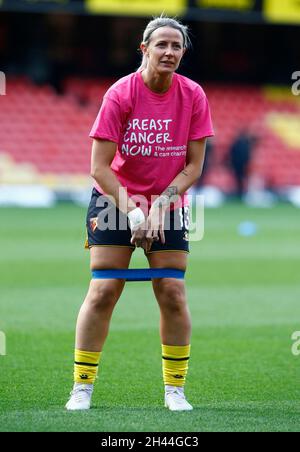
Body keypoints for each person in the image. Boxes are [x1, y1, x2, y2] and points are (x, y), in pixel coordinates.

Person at [65, 16, 214, 412]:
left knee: (172, 291)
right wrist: (134, 212)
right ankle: (82, 387)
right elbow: (99, 167)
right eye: (161, 44)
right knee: (103, 290)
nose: (169, 52)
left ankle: (175, 391)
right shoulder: (120, 93)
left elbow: (193, 166)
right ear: (144, 49)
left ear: (183, 53)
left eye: (176, 46)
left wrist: (160, 206)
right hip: (115, 200)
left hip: (167, 203)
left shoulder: (194, 95)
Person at [229, 130, 258, 199]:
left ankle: (241, 194)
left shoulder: (237, 143)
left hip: (237, 164)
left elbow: (232, 154)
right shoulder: (245, 144)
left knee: (239, 180)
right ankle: (243, 194)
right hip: (242, 165)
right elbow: (246, 156)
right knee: (242, 180)